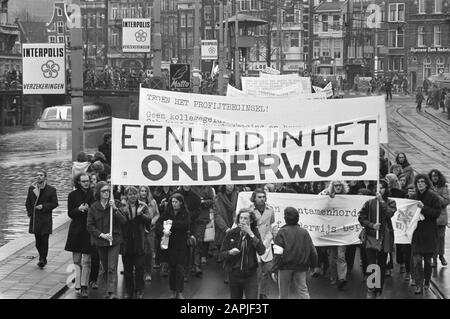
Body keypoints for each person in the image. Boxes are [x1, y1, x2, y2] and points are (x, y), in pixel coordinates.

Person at [87, 181, 127, 299]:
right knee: (105, 268)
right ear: (98, 193)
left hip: (114, 240)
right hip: (101, 241)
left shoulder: (115, 204)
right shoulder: (94, 207)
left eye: (108, 191)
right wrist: (101, 235)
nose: (106, 193)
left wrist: (115, 209)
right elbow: (90, 226)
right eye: (104, 191)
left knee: (112, 267)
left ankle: (111, 292)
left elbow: (123, 221)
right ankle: (107, 289)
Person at [358, 179, 397, 299]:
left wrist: (381, 201)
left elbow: (389, 213)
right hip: (371, 237)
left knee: (381, 265)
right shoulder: (369, 203)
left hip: (384, 238)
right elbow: (361, 218)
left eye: (382, 187)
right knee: (371, 264)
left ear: (386, 189)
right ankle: (371, 288)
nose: (379, 190)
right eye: (377, 187)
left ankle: (378, 289)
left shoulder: (391, 202)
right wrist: (371, 225)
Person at [271, 207, 318, 299]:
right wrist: (313, 266)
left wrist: (274, 269)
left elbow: (278, 253)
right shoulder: (304, 232)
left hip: (284, 267)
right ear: (298, 218)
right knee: (303, 290)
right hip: (301, 266)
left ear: (285, 218)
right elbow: (313, 251)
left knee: (283, 293)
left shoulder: (282, 232)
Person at [219, 208, 265, 299]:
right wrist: (230, 253)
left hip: (250, 275)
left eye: (246, 218)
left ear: (251, 221)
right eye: (241, 218)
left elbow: (261, 250)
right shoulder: (232, 233)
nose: (243, 221)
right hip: (234, 274)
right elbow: (221, 254)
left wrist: (250, 233)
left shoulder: (254, 233)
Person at [64, 173, 95, 298]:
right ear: (78, 182)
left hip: (88, 230)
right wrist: (79, 209)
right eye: (83, 181)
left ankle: (84, 286)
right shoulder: (72, 195)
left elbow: (97, 209)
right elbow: (70, 213)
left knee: (87, 260)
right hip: (76, 231)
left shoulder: (93, 193)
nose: (86, 183)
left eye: (87, 181)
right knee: (76, 260)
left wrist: (89, 208)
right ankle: (77, 283)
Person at [156, 193, 191, 299]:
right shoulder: (168, 212)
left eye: (176, 202)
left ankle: (179, 292)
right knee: (172, 269)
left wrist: (170, 224)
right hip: (169, 244)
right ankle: (173, 291)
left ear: (181, 202)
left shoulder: (185, 213)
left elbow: (184, 225)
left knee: (180, 269)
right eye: (172, 202)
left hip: (181, 245)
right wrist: (163, 231)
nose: (174, 204)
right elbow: (158, 223)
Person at [119, 186, 152, 299]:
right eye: (130, 194)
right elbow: (120, 222)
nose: (132, 196)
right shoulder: (122, 206)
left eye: (134, 194)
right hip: (127, 243)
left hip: (139, 242)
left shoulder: (143, 205)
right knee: (127, 269)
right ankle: (129, 291)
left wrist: (140, 214)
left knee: (139, 268)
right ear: (126, 196)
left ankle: (140, 289)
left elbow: (149, 220)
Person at [411, 174, 441, 294]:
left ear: (426, 183)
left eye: (422, 182)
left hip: (429, 234)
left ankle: (427, 281)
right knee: (417, 261)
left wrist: (424, 208)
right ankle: (418, 283)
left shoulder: (433, 197)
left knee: (427, 262)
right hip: (416, 234)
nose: (420, 184)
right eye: (418, 182)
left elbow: (436, 213)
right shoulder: (413, 197)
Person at [25, 170, 58, 268]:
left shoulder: (51, 190)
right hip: (35, 219)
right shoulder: (32, 189)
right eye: (37, 175)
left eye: (41, 175)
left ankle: (42, 259)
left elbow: (55, 203)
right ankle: (42, 256)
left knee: (44, 240)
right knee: (38, 242)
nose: (39, 177)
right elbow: (28, 202)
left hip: (45, 219)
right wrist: (30, 213)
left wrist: (43, 206)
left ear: (45, 177)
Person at [320, 181, 349, 289]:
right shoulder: (327, 196)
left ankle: (342, 279)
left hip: (342, 232)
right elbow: (319, 207)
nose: (337, 187)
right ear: (333, 186)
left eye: (339, 185)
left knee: (341, 256)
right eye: (335, 185)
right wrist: (327, 198)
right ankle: (333, 277)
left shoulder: (347, 198)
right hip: (331, 232)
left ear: (343, 186)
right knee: (332, 258)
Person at [250, 189, 277, 299]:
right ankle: (254, 293)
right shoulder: (250, 211)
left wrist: (271, 236)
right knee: (256, 270)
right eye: (259, 197)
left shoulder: (270, 210)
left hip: (266, 241)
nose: (262, 199)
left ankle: (263, 293)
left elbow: (271, 223)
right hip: (255, 242)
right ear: (254, 199)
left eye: (263, 197)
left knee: (267, 269)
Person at [192, 185, 215, 275]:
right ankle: (190, 264)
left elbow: (212, 201)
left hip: (202, 218)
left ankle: (197, 265)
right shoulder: (190, 186)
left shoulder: (208, 187)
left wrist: (203, 202)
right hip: (190, 217)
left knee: (199, 240)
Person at [138, 186, 160, 281]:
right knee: (140, 250)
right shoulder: (136, 202)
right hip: (140, 229)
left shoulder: (153, 202)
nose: (143, 193)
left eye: (145, 191)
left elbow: (157, 214)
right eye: (142, 191)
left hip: (151, 229)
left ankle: (148, 272)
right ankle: (139, 269)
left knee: (149, 251)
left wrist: (152, 221)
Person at [428, 169, 449, 267]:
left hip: (441, 218)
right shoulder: (428, 188)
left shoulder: (444, 187)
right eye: (433, 176)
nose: (434, 178)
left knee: (440, 238)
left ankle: (441, 255)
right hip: (431, 217)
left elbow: (445, 202)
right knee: (432, 239)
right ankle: (434, 258)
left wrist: (435, 195)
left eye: (436, 176)